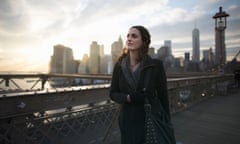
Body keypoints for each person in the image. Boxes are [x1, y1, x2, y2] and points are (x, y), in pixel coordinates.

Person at [109, 25, 175, 144]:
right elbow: (113, 93)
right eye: (128, 36)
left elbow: (163, 96)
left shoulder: (156, 65)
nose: (129, 39)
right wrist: (127, 98)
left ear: (144, 41)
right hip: (127, 120)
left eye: (134, 36)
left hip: (150, 119)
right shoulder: (119, 66)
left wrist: (167, 122)